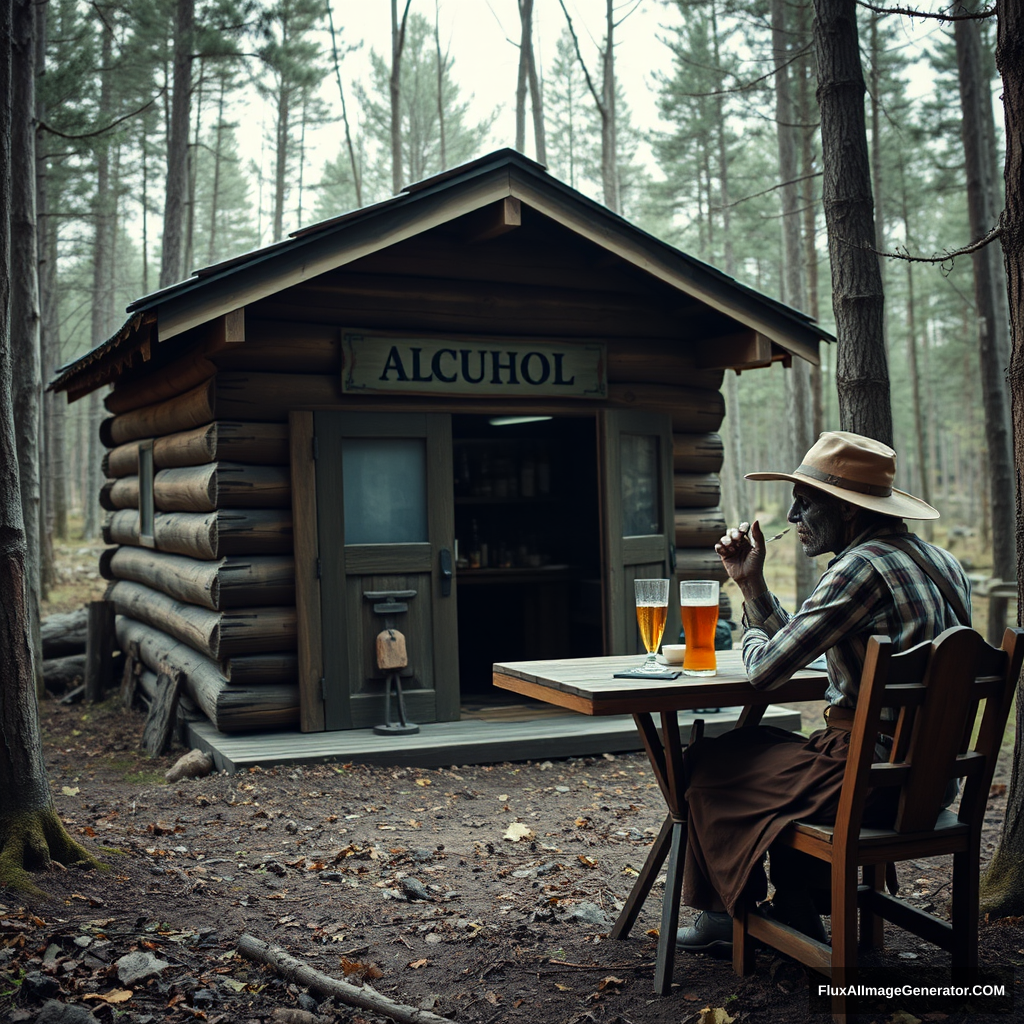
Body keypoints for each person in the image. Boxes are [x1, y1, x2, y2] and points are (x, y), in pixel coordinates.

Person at [675, 430, 971, 957]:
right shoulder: (943, 564)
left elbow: (766, 671)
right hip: (932, 780)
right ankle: (796, 900)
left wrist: (750, 631)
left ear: (849, 511)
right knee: (761, 747)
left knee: (706, 763)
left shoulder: (857, 569)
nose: (792, 516)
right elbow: (806, 646)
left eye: (805, 502)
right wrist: (753, 586)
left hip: (871, 782)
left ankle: (724, 914)